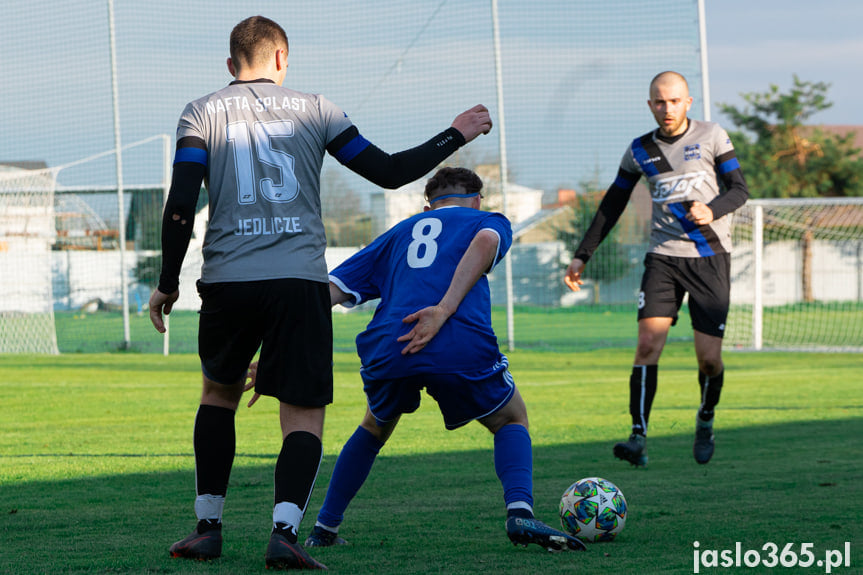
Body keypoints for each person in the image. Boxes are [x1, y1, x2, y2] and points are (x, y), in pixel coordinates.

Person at [147, 16, 492, 570]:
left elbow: (182, 202)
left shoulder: (202, 110)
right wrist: (456, 132)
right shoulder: (318, 108)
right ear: (282, 58)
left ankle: (207, 529)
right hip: (299, 283)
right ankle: (284, 535)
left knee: (218, 397)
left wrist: (167, 282)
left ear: (231, 65)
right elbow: (389, 172)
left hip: (229, 283)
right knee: (303, 415)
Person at [246, 167, 585, 554]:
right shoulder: (487, 220)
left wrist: (271, 350)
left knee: (374, 426)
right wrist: (442, 309)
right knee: (510, 418)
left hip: (391, 343)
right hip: (454, 339)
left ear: (428, 206)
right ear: (477, 200)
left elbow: (328, 292)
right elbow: (487, 242)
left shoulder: (399, 233)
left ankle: (324, 527)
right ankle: (520, 511)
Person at [564, 71, 749, 468]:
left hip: (710, 257)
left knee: (709, 361)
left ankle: (705, 418)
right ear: (650, 105)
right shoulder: (639, 150)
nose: (667, 109)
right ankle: (638, 436)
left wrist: (710, 210)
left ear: (689, 102)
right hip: (662, 257)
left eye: (675, 101)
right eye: (660, 102)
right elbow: (612, 204)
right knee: (648, 345)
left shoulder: (712, 135)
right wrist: (583, 254)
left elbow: (739, 190)